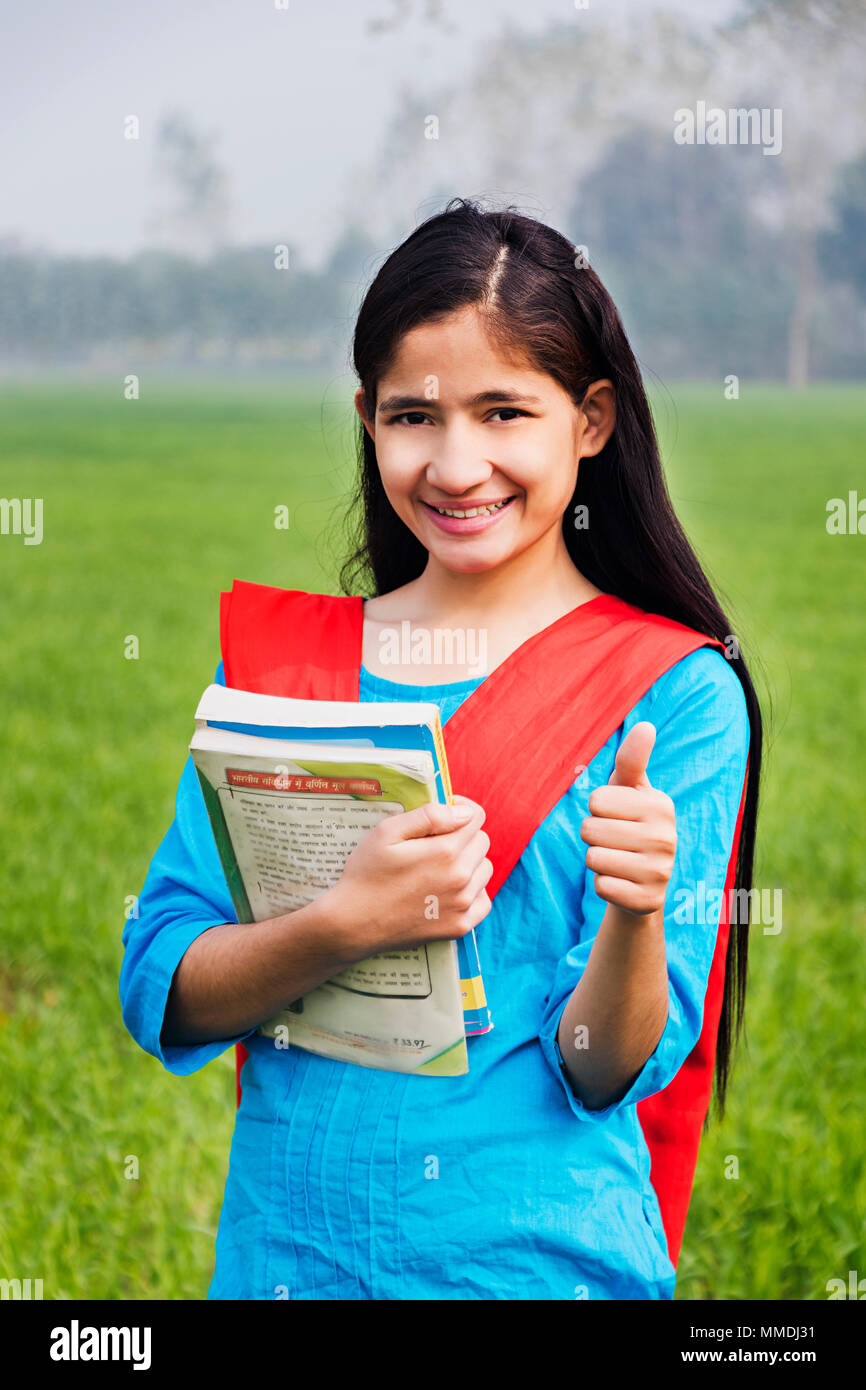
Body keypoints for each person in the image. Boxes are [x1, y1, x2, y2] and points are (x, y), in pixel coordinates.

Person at [119, 197, 762, 1300]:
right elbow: (161, 983)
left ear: (590, 419)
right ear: (368, 420)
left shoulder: (675, 693)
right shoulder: (276, 670)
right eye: (414, 416)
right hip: (288, 1260)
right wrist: (338, 926)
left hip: (531, 1264)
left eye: (505, 411)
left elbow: (602, 1065)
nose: (457, 465)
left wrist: (635, 910)